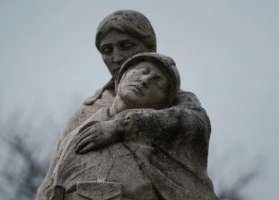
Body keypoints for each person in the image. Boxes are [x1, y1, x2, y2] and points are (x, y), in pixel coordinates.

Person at [37, 10, 216, 200]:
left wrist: (123, 125)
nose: (116, 58)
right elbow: (54, 173)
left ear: (149, 48)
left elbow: (196, 124)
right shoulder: (87, 109)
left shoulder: (172, 97)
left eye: (126, 46)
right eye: (107, 50)